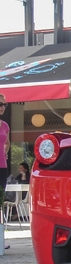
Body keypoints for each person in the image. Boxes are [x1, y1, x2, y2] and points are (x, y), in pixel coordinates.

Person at [0, 94, 9, 249]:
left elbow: (7, 142)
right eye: (0, 103)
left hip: (2, 166)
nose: (2, 107)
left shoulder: (5, 125)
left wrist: (5, 153)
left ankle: (0, 241)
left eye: (4, 104)